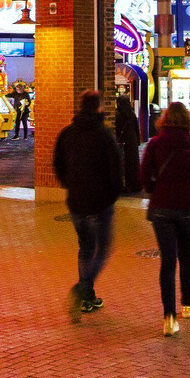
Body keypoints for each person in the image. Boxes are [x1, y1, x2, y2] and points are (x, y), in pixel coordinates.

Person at [141, 101, 190, 337]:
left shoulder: (154, 144)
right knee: (186, 255)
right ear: (186, 120)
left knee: (167, 262)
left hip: (162, 208)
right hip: (188, 209)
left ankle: (169, 317)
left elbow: (144, 176)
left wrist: (156, 190)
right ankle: (187, 303)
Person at [51, 87, 123, 322]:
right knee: (103, 249)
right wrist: (112, 195)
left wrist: (69, 185)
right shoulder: (104, 135)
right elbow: (116, 172)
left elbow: (58, 165)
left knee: (85, 248)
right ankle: (82, 289)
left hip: (76, 202)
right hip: (99, 203)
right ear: (99, 107)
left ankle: (88, 297)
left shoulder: (67, 133)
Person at [113, 88, 142, 195]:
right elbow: (136, 129)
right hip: (132, 142)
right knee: (133, 164)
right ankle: (134, 184)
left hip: (123, 143)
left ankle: (125, 186)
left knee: (123, 164)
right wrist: (137, 141)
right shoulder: (131, 114)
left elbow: (117, 129)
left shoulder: (118, 115)